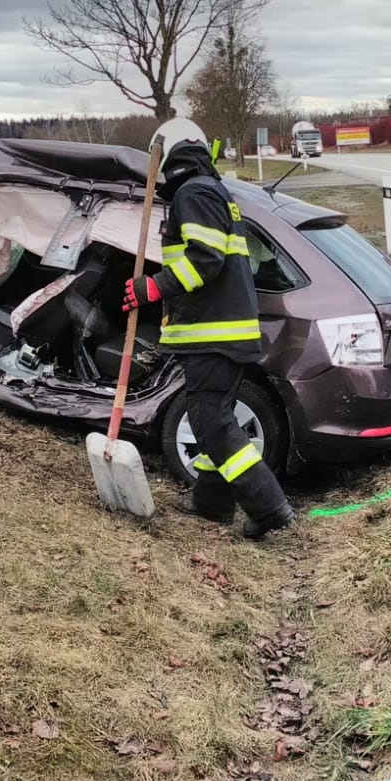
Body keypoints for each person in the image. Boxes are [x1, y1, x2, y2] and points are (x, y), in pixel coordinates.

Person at [122, 119, 295, 539]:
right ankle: (211, 501)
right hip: (220, 332)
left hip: (212, 334)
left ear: (167, 154)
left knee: (213, 424)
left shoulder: (193, 192)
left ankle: (269, 507)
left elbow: (205, 260)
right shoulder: (210, 190)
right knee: (211, 420)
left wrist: (153, 287)